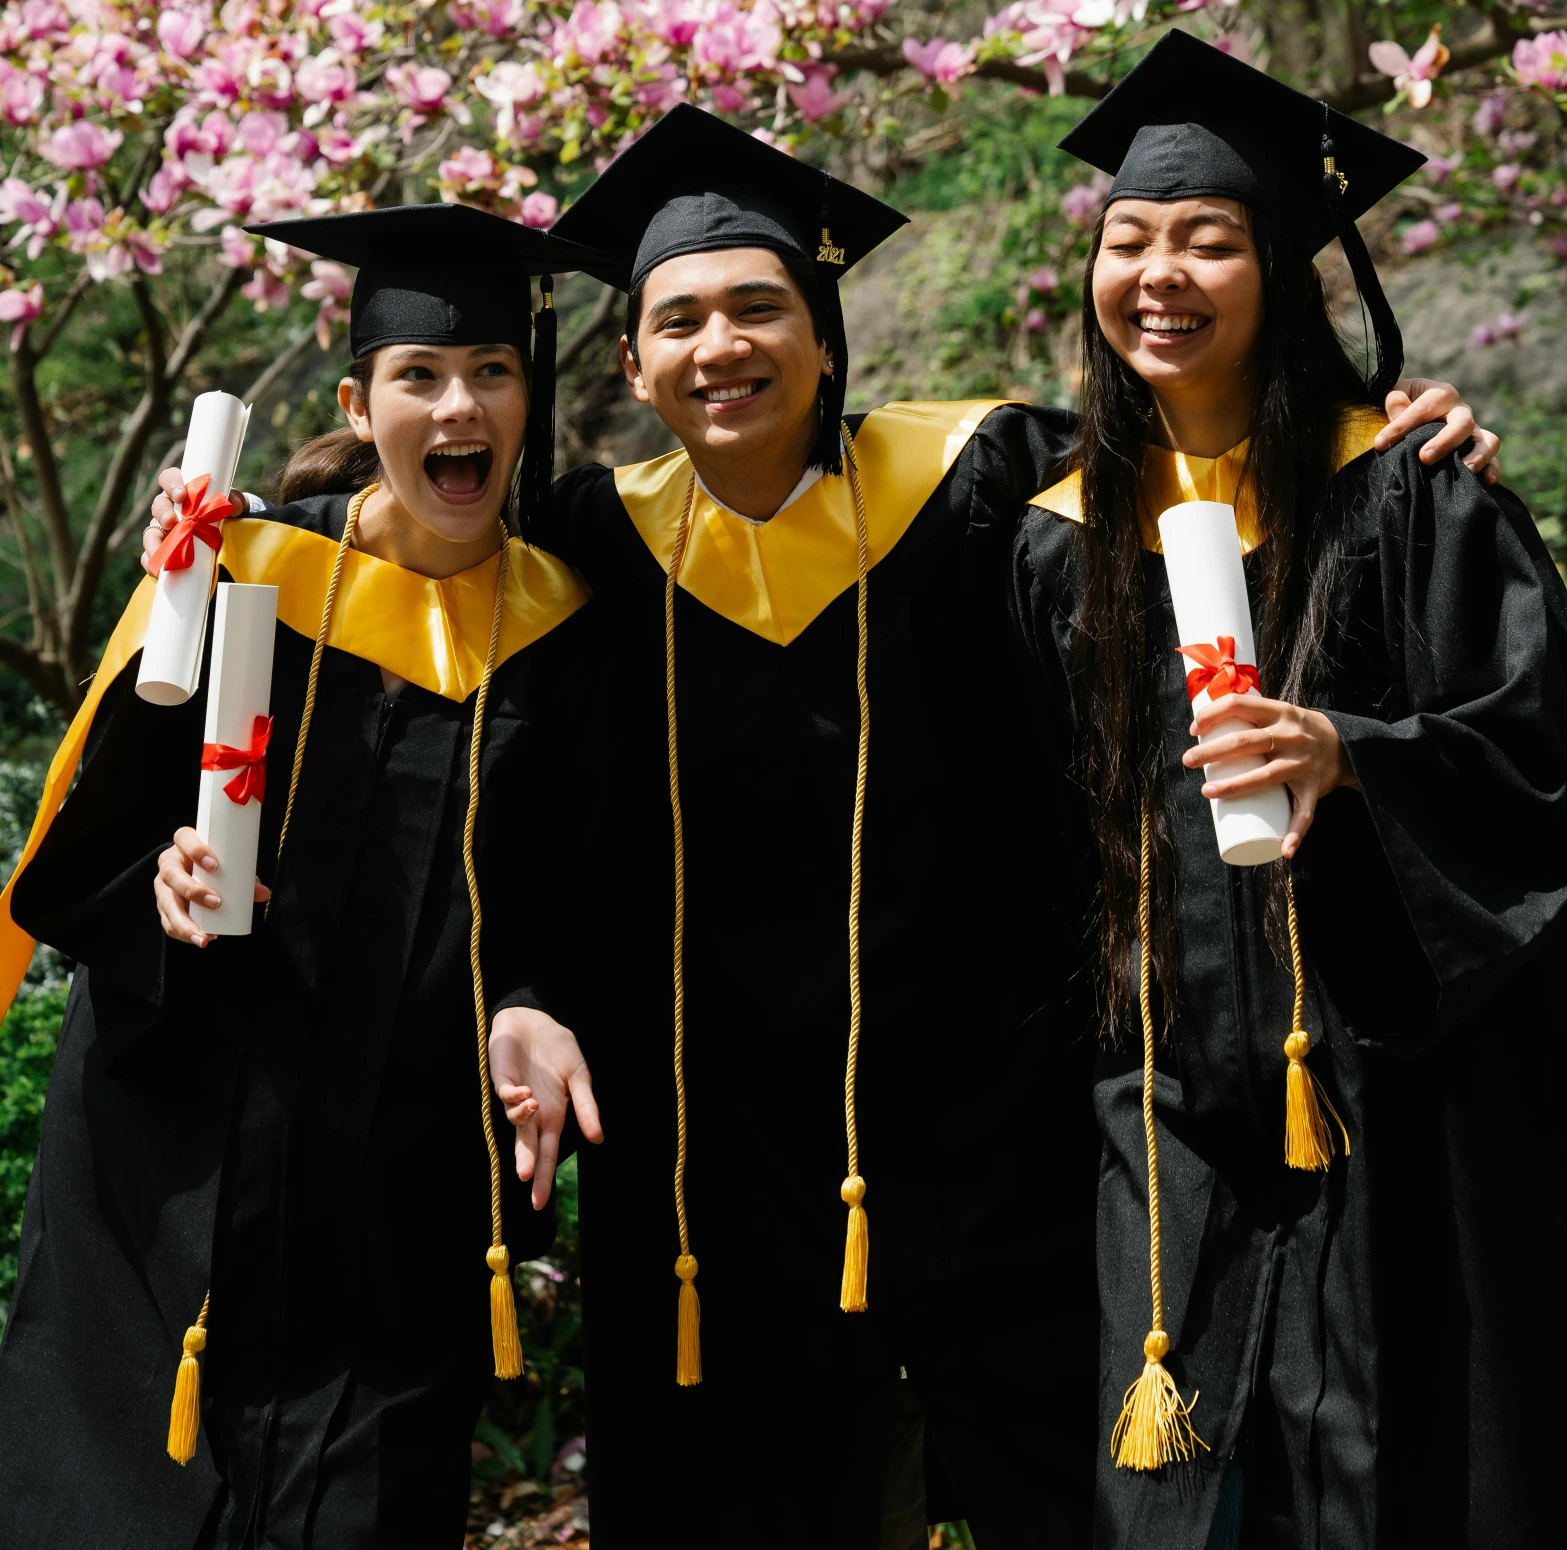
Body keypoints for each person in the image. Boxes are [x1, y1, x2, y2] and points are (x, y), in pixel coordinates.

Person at [142, 114, 1495, 1550]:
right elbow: (497, 784)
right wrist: (259, 519)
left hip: (998, 1135)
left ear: (827, 336)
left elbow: (1201, 469)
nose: (720, 344)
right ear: (629, 365)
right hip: (714, 1173)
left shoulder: (979, 487)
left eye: (756, 306)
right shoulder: (595, 551)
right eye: (678, 318)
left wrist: (1384, 436)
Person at [1012, 31, 1567, 1550]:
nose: (1158, 272)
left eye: (1208, 238)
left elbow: (1541, 764)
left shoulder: (1413, 493)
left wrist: (1354, 754)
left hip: (1384, 1102)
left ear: (1286, 273)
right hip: (1166, 1102)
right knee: (1174, 1492)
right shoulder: (1055, 538)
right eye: (1127, 239)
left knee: (1377, 1474)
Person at [0, 205, 598, 1550]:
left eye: (495, 369)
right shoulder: (238, 568)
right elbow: (87, 837)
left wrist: (533, 1000)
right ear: (357, 398)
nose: (462, 401)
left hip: (393, 1211)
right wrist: (157, 881)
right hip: (172, 1178)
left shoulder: (562, 633)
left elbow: (559, 893)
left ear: (528, 392)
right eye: (422, 375)